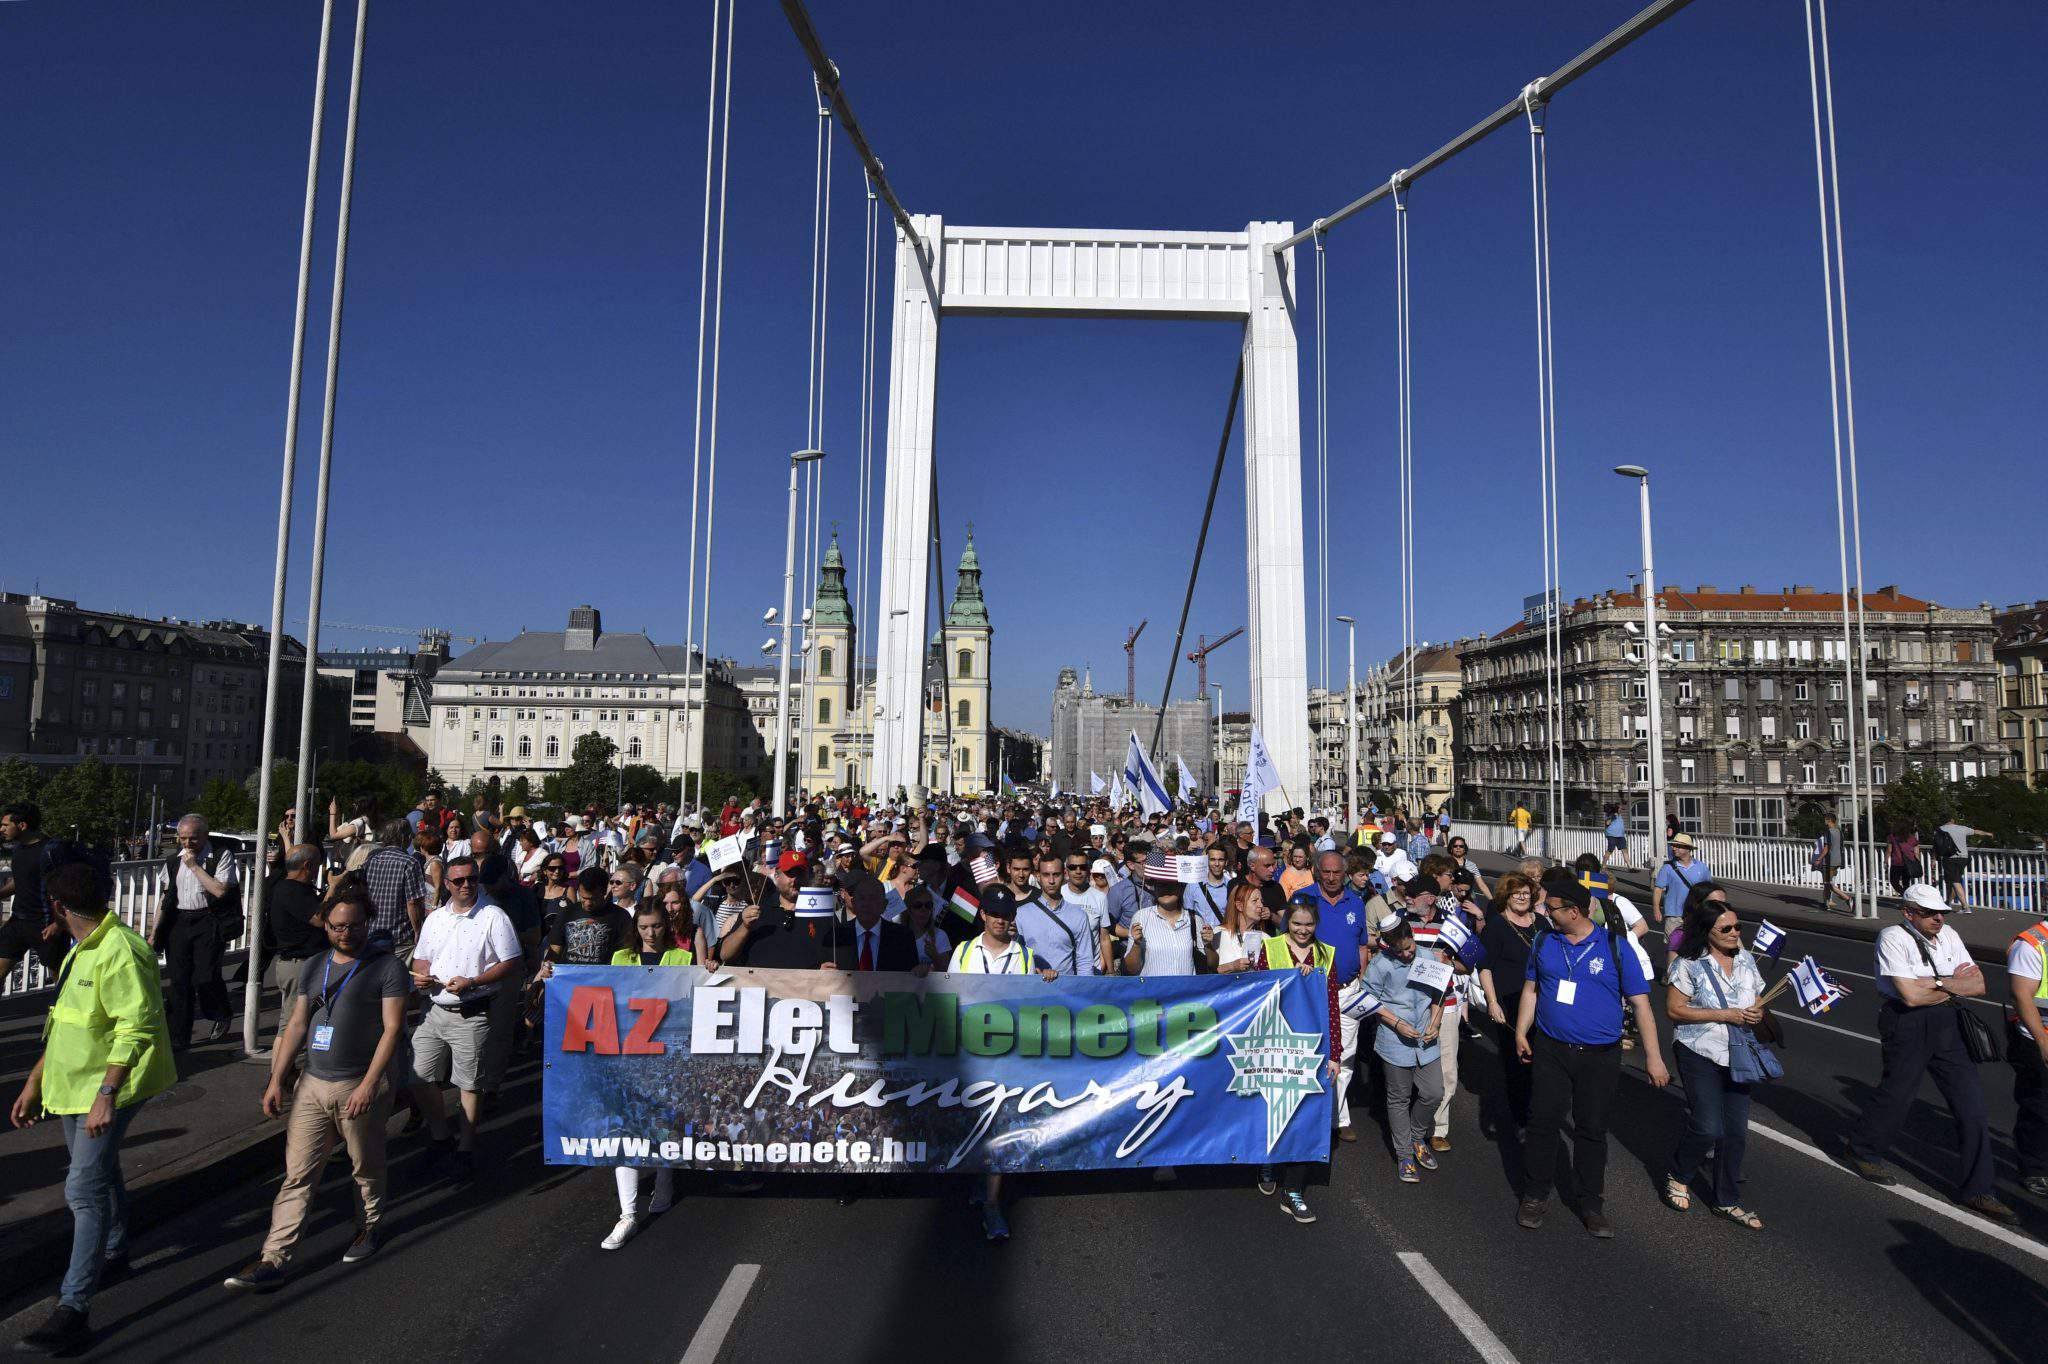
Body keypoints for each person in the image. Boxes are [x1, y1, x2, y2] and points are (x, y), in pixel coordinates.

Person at [9, 863, 177, 1355]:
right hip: (74, 1085)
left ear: (58, 907)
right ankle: (115, 1250)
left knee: (83, 1188)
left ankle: (74, 1308)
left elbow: (137, 1026)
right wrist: (34, 1081)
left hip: (105, 1088)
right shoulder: (83, 946)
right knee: (100, 1172)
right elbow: (66, 1023)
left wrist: (107, 1094)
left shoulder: (121, 950)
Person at [224, 893, 408, 1291]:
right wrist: (277, 1078)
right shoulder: (314, 966)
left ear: (367, 922)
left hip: (359, 1083)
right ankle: (274, 1258)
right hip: (312, 1083)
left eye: (354, 925)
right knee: (298, 1174)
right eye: (337, 926)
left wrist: (369, 1084)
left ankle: (369, 1224)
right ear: (326, 926)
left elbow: (392, 1029)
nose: (345, 933)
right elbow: (297, 1024)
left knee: (365, 1165)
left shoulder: (387, 967)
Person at [1842, 884, 2015, 1222]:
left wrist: (1934, 983)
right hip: (1906, 1022)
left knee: (1972, 1107)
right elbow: (1910, 997)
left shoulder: (1949, 935)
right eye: (1929, 913)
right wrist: (1952, 983)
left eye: (1942, 913)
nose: (1939, 918)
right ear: (1908, 913)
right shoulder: (1893, 937)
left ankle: (1978, 1189)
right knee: (1897, 1095)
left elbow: (1979, 984)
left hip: (1947, 1023)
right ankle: (1862, 1149)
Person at [1514, 868, 1669, 1238]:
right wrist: (1521, 1031)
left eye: (1551, 907)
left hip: (1599, 1055)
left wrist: (1654, 1056)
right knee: (1542, 1123)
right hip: (1551, 1049)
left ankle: (1590, 1203)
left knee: (1592, 1128)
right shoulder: (1544, 941)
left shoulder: (1615, 947)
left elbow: (1641, 1005)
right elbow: (1531, 990)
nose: (1545, 912)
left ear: (1574, 911)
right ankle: (1535, 1194)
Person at [943, 885, 1056, 1241]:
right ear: (983, 915)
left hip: (1007, 1055)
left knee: (1000, 1124)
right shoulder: (963, 951)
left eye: (1006, 915)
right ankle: (982, 1179)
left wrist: (1046, 979)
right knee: (975, 1123)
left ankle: (992, 1203)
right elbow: (948, 996)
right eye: (994, 914)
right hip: (970, 1054)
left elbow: (1033, 1001)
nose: (1000, 920)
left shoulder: (1025, 955)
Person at [409, 855, 522, 1182]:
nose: (466, 885)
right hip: (434, 1010)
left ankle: (466, 1148)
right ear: (446, 884)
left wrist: (473, 982)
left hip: (472, 1011)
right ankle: (441, 1136)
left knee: (469, 1084)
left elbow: (511, 961)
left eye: (471, 879)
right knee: (418, 1076)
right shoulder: (435, 918)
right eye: (458, 881)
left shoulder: (493, 916)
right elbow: (421, 958)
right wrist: (421, 975)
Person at [1663, 883, 1768, 1228]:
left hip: (1738, 1051)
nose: (1735, 933)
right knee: (1708, 1126)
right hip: (1699, 1049)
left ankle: (1726, 1199)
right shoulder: (1689, 964)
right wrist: (1725, 1015)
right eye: (1726, 929)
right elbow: (1675, 1010)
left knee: (1735, 1132)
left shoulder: (1746, 959)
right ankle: (1680, 1172)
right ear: (1707, 932)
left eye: (1738, 926)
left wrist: (1756, 1012)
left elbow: (1756, 998)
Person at [1254, 902, 1340, 1223]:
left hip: (1312, 1046)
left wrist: (1334, 1054)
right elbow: (1258, 993)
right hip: (1276, 1044)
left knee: (1306, 1115)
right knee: (1274, 1110)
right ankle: (1267, 1161)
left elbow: (1332, 1005)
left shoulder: (1326, 954)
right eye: (1297, 924)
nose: (1303, 930)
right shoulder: (1271, 948)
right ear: (1287, 922)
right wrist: (1293, 978)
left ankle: (1293, 1191)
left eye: (1309, 925)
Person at [1365, 918, 1445, 1184]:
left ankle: (1416, 1136)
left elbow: (1439, 994)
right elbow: (1369, 1001)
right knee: (1399, 1098)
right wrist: (1396, 1023)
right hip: (1395, 1040)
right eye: (1399, 951)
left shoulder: (1427, 957)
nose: (1406, 954)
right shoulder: (1380, 965)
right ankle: (1404, 1154)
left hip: (1425, 1037)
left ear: (1412, 937)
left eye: (1409, 948)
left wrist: (1436, 1022)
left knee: (1434, 1092)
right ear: (1389, 947)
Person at [154, 814, 241, 1049]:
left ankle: (220, 1012)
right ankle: (178, 1037)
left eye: (192, 838)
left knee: (205, 975)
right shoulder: (173, 861)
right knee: (178, 980)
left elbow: (219, 890)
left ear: (204, 835)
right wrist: (155, 930)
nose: (187, 843)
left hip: (209, 919)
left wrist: (194, 866)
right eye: (183, 838)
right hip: (180, 920)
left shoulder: (220, 855)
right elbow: (166, 897)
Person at [1478, 872, 1541, 1133]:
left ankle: (1539, 1112)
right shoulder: (1496, 926)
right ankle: (1521, 1119)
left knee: (1542, 1062)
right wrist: (1492, 1002)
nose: (1522, 897)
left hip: (1542, 1003)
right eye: (1517, 893)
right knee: (1518, 1063)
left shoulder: (1541, 923)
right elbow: (1485, 967)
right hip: (1510, 1003)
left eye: (1526, 892)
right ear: (1506, 895)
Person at [0, 801, 68, 983]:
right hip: (18, 921)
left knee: (60, 979)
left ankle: (63, 1002)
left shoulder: (52, 851)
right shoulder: (18, 849)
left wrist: (59, 924)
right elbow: (20, 880)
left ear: (22, 825)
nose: (1, 829)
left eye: (6, 825)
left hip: (46, 924)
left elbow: (67, 887)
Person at [2006, 912, 2048, 1197]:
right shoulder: (2032, 944)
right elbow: (2022, 996)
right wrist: (2042, 1042)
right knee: (2039, 1108)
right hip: (2038, 1039)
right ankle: (2034, 1169)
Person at [1017, 853, 1102, 977]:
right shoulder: (1021, 914)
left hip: (1067, 986)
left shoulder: (1078, 915)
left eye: (1056, 875)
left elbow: (1084, 961)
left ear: (1064, 875)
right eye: (1046, 875)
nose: (1051, 881)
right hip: (1032, 985)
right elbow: (1016, 956)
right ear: (1038, 876)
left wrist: (1084, 987)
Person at [265, 844, 327, 1012]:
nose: (319, 869)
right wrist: (333, 889)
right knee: (294, 1019)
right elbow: (319, 920)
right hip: (298, 964)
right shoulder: (290, 890)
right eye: (318, 864)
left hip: (303, 962)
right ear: (307, 865)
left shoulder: (297, 888)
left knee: (301, 1017)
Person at [1120, 882, 1217, 977]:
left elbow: (1213, 965)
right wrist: (1136, 945)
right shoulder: (1141, 917)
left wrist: (1208, 945)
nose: (1165, 889)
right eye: (1161, 885)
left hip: (1186, 987)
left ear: (1180, 887)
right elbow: (1132, 969)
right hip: (1153, 987)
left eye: (1171, 885)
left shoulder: (1195, 919)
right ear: (1155, 888)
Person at [543, 867, 636, 967]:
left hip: (605, 975)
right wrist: (547, 965)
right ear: (578, 890)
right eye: (584, 898)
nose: (588, 903)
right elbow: (555, 949)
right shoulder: (567, 913)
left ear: (604, 891)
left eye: (594, 899)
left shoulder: (621, 916)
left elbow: (625, 953)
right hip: (571, 974)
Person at [364, 819, 429, 959]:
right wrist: (418, 930)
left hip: (371, 933)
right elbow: (413, 902)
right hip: (399, 937)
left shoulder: (370, 861)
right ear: (406, 838)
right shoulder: (410, 863)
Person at [822, 879, 920, 972]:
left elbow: (911, 976)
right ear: (853, 903)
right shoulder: (836, 935)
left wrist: (920, 971)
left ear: (884, 905)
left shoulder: (903, 937)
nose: (866, 904)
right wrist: (822, 972)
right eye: (861, 898)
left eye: (873, 898)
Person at [1651, 832, 1710, 934]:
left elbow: (1709, 890)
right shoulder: (1667, 868)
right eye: (1673, 845)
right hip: (1674, 916)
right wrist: (1656, 909)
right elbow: (1658, 889)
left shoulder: (1701, 867)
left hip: (1695, 914)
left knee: (1694, 943)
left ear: (1688, 849)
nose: (1674, 848)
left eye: (1678, 846)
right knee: (1674, 943)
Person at [1816, 812, 1852, 912]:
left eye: (1825, 819)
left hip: (1829, 861)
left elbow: (1826, 848)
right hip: (1838, 860)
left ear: (1829, 820)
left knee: (1828, 883)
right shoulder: (1839, 831)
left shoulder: (1828, 832)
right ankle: (1826, 904)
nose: (1824, 821)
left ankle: (1847, 898)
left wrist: (1819, 859)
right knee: (1827, 884)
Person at [1888, 824, 1923, 899]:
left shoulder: (1892, 837)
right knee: (1906, 883)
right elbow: (1916, 852)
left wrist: (1885, 860)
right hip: (1909, 863)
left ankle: (1904, 894)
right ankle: (1907, 897)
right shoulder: (1912, 838)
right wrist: (1917, 862)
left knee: (1894, 881)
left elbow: (1889, 850)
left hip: (1896, 862)